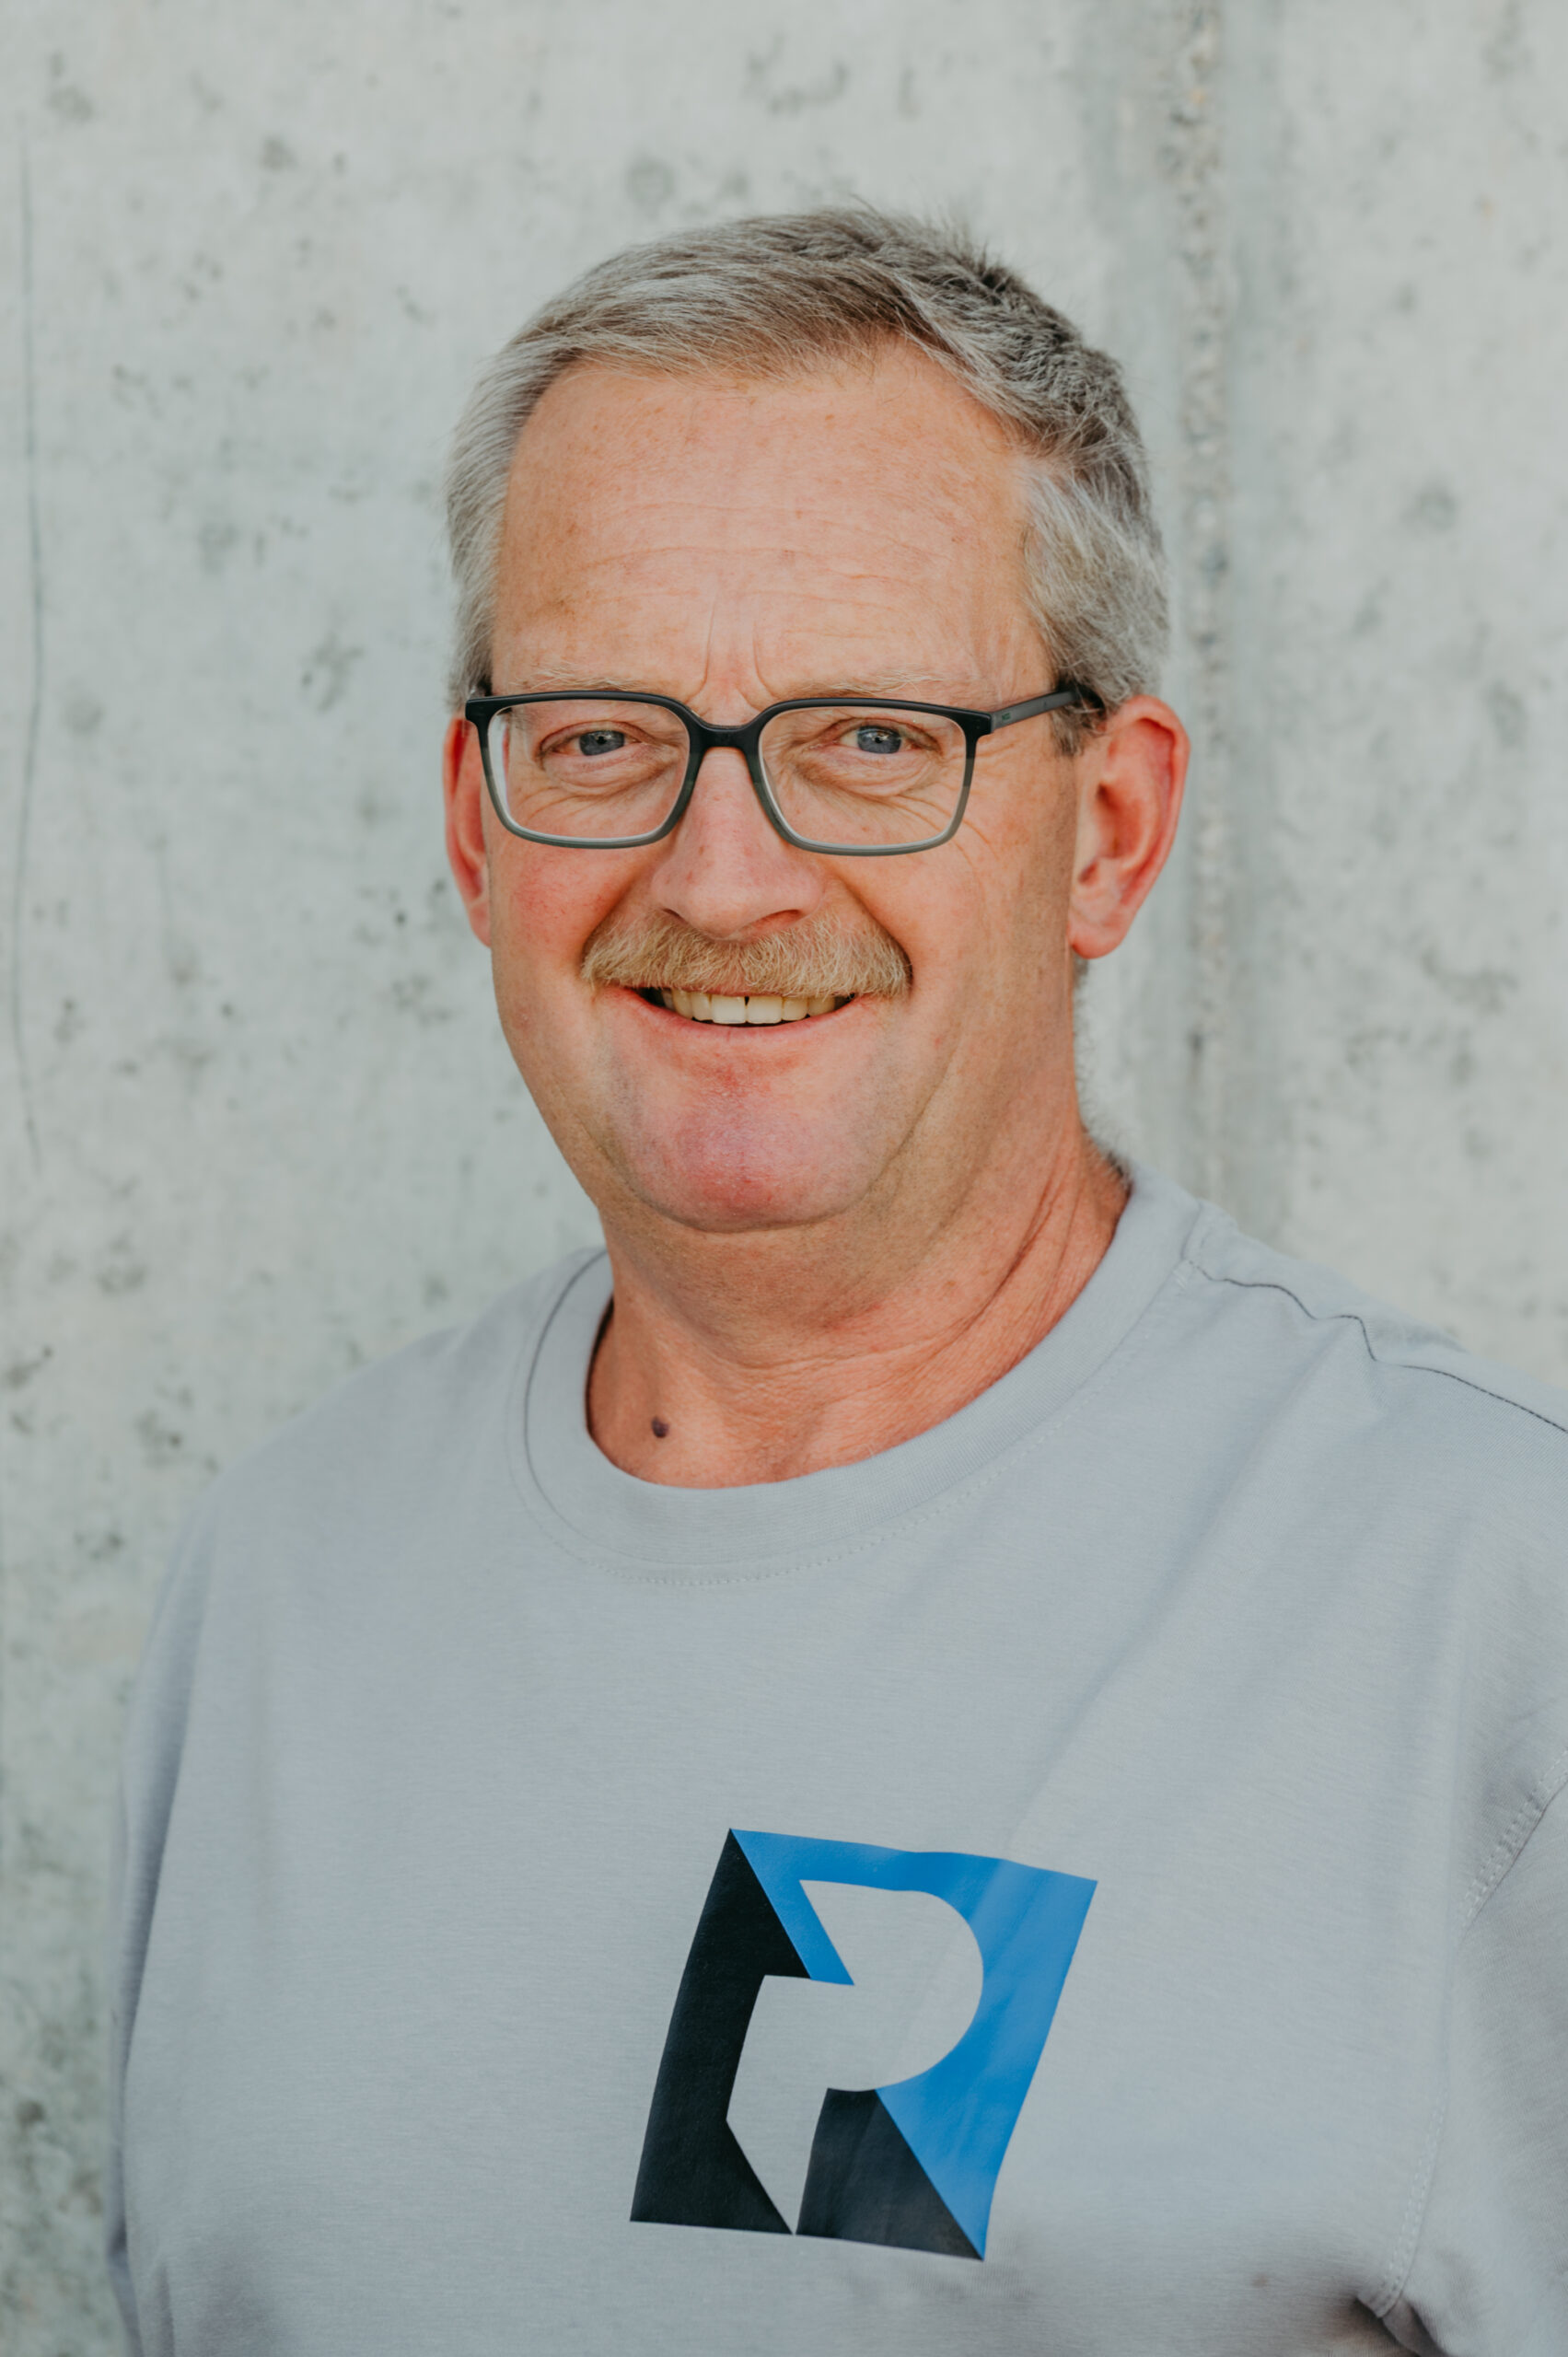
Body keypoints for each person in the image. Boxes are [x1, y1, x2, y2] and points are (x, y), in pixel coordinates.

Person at [107, 210, 1567, 2357]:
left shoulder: (1485, 1611)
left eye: (872, 737)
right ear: (477, 826)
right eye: (601, 735)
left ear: (1109, 831)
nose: (724, 875)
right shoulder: (279, 1585)